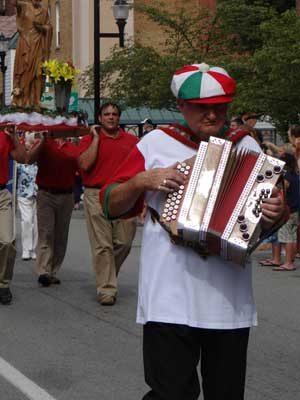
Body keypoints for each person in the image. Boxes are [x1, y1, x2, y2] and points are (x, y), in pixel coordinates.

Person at [99, 63, 286, 399]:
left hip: (229, 300)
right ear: (182, 107)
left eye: (220, 106)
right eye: (201, 108)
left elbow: (271, 215)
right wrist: (143, 180)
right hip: (168, 297)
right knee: (170, 393)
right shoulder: (155, 143)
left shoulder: (247, 146)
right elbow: (110, 202)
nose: (212, 115)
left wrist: (275, 212)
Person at [78, 102, 138, 306]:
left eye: (114, 114)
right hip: (96, 194)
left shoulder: (131, 141)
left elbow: (140, 169)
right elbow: (85, 165)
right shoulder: (88, 139)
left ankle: (107, 274)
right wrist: (95, 138)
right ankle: (106, 289)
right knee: (102, 245)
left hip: (124, 193)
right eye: (107, 114)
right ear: (100, 118)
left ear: (119, 117)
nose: (111, 117)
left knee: (124, 242)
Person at [27, 135, 78, 287]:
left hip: (66, 194)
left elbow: (82, 168)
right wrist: (43, 141)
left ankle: (52, 271)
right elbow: (29, 159)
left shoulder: (73, 147)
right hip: (46, 193)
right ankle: (43, 270)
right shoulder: (44, 143)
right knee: (46, 232)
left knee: (61, 235)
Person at [0, 125, 27, 304]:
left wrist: (14, 136)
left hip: (1, 195)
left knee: (7, 241)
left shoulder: (4, 134)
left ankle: (3, 283)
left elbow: (22, 157)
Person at [12, 0, 52, 109]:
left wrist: (42, 28)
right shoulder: (24, 6)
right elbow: (14, 4)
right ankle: (25, 100)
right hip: (26, 44)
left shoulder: (44, 11)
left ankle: (37, 100)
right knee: (25, 72)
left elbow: (49, 27)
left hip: (39, 44)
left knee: (38, 73)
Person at [16, 132, 38, 260]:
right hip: (24, 193)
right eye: (30, 143)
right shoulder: (20, 159)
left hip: (37, 193)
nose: (31, 146)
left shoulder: (39, 158)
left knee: (36, 222)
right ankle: (26, 249)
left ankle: (33, 249)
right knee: (27, 220)